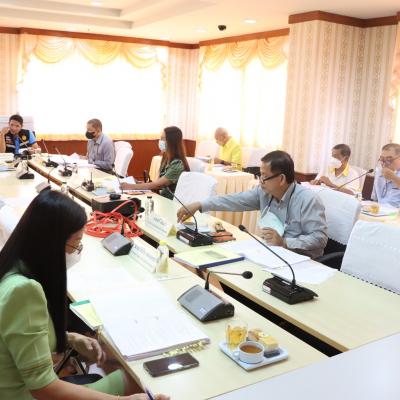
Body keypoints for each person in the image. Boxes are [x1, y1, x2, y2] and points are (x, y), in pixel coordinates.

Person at [0, 190, 169, 400]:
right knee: (138, 382)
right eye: (76, 243)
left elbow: (19, 335)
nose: (76, 251)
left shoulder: (11, 264)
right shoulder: (24, 291)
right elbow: (42, 387)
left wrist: (69, 338)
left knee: (131, 378)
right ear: (52, 244)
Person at [177, 150, 328, 259]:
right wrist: (200, 204)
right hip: (271, 254)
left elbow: (319, 238)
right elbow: (234, 200)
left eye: (264, 176)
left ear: (281, 179)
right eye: (259, 175)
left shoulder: (308, 200)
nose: (260, 181)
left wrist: (285, 242)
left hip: (299, 260)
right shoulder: (264, 192)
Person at [120, 126, 189, 199]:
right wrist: (139, 183)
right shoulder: (166, 158)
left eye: (163, 138)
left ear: (171, 141)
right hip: (163, 197)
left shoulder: (178, 164)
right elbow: (160, 184)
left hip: (171, 201)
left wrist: (130, 186)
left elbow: (157, 185)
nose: (160, 141)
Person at [371, 143, 400, 207]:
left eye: (389, 159)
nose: (384, 164)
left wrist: (394, 178)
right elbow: (375, 199)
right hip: (379, 210)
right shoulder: (379, 172)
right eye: (382, 159)